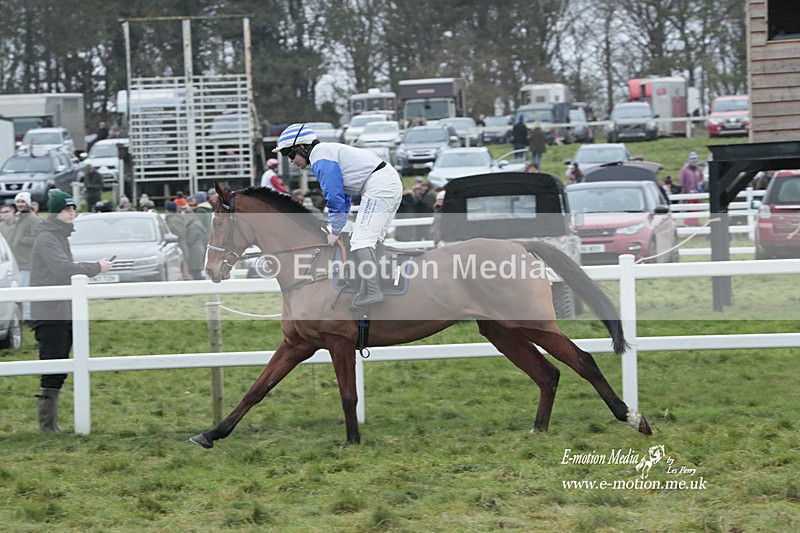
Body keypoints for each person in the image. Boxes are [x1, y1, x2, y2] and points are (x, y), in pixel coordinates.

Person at [275, 122, 402, 307]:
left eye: (290, 154)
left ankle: (374, 292)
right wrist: (339, 224)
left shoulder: (320, 155)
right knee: (371, 240)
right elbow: (344, 195)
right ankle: (375, 286)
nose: (291, 161)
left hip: (379, 185)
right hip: (385, 182)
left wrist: (335, 230)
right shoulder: (326, 152)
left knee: (361, 241)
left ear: (302, 147)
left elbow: (333, 195)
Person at [29, 190, 113, 432]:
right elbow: (62, 268)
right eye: (66, 209)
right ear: (55, 212)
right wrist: (97, 267)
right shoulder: (47, 237)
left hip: (61, 310)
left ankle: (49, 425)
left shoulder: (57, 235)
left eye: (73, 208)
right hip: (50, 312)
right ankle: (47, 426)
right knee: (53, 367)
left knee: (59, 367)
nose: (71, 212)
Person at [11, 192, 41, 321]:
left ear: (28, 203)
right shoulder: (20, 218)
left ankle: (29, 318)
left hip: (27, 262)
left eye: (23, 202)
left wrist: (22, 240)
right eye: (18, 202)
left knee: (26, 291)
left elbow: (38, 238)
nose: (20, 205)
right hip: (18, 262)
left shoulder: (33, 219)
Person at [164, 201, 191, 280]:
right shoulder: (176, 218)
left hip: (179, 247)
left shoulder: (174, 220)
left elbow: (178, 234)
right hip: (180, 247)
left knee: (184, 272)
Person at [679, 152, 705, 226]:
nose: (694, 163)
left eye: (696, 161)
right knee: (688, 209)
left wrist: (700, 184)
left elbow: (701, 179)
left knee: (696, 209)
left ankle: (695, 223)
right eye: (693, 161)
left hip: (696, 193)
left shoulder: (698, 170)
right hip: (688, 193)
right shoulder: (684, 170)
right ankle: (688, 223)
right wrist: (684, 191)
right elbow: (682, 181)